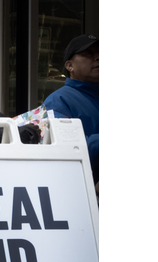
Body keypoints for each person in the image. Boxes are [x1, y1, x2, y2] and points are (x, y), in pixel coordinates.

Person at [43, 34, 99, 186]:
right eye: (88, 54)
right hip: (82, 193)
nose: (98, 57)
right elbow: (67, 150)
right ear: (69, 66)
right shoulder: (57, 101)